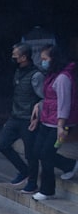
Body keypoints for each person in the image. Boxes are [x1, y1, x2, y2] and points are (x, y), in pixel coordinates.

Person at [27, 45, 77, 200]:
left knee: (47, 154)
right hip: (47, 121)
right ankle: (68, 165)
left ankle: (47, 190)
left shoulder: (63, 78)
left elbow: (64, 103)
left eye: (45, 59)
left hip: (59, 124)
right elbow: (48, 99)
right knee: (37, 151)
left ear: (54, 59)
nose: (43, 62)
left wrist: (61, 126)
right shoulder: (52, 75)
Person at [0, 43, 43, 188]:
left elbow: (44, 97)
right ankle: (24, 171)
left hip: (28, 119)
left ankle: (32, 182)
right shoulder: (18, 72)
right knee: (2, 145)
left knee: (31, 153)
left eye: (15, 55)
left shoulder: (36, 75)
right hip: (15, 117)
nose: (13, 58)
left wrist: (37, 116)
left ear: (24, 57)